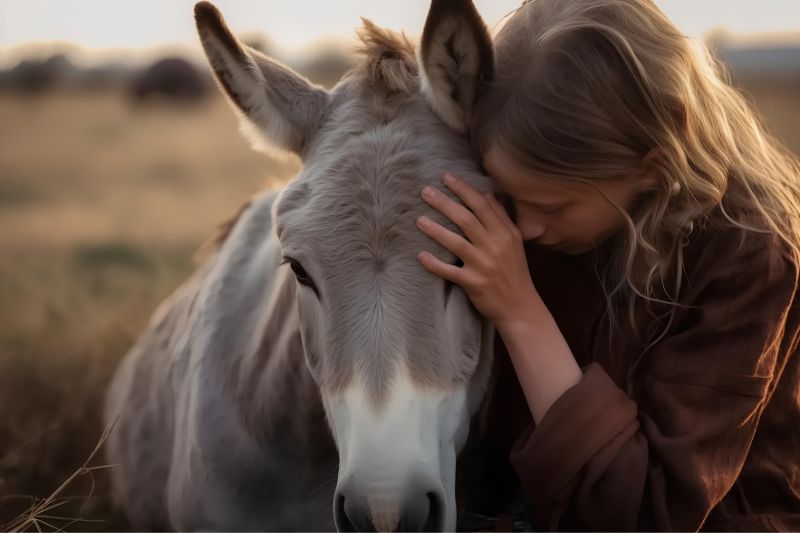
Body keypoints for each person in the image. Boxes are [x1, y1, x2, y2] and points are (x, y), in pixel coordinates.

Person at [415, 0, 800, 530]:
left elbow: (644, 513)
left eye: (551, 207)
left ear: (654, 166)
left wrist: (521, 313)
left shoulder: (749, 260)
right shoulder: (543, 225)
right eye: (510, 199)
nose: (523, 232)